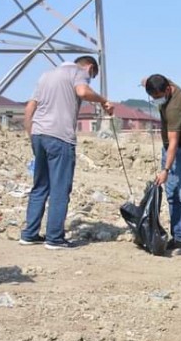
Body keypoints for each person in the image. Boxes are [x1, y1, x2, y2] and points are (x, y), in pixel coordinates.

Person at [21, 56, 113, 249]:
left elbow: (30, 107)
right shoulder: (78, 72)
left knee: (40, 186)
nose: (89, 78)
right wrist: (103, 101)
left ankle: (29, 234)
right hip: (60, 137)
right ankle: (55, 238)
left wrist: (32, 135)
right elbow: (82, 91)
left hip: (39, 134)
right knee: (60, 189)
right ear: (89, 67)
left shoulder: (47, 75)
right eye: (92, 75)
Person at [144, 74, 181, 255]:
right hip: (169, 148)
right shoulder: (165, 84)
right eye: (153, 98)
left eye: (158, 97)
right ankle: (178, 236)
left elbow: (174, 142)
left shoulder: (176, 106)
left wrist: (166, 170)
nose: (156, 100)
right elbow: (146, 79)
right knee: (171, 195)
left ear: (167, 90)